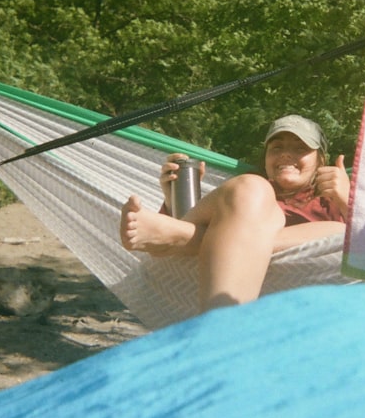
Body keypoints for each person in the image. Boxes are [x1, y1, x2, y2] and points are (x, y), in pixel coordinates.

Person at [119, 115, 350, 312]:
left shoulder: (332, 202)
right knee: (251, 187)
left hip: (314, 290)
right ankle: (221, 329)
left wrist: (345, 200)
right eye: (276, 147)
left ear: (321, 160)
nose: (286, 154)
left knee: (341, 231)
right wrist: (172, 199)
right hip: (240, 275)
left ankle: (183, 235)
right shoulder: (243, 199)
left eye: (300, 148)